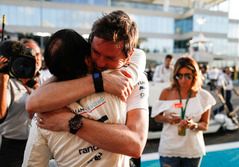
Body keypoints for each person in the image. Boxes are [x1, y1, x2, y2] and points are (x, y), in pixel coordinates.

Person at [26, 10, 149, 165]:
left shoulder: (132, 80)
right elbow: (32, 103)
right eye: (96, 52)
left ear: (128, 55)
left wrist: (70, 121)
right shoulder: (55, 90)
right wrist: (98, 81)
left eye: (110, 58)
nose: (100, 62)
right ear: (88, 44)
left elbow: (135, 144)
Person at [151, 56, 216, 167]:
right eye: (179, 76)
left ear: (195, 76)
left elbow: (205, 125)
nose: (183, 80)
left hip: (192, 151)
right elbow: (157, 117)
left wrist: (193, 125)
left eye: (187, 76)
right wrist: (168, 119)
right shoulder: (166, 93)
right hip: (169, 149)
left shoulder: (204, 96)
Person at [0, 40, 38, 167]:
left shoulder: (30, 78)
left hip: (34, 143)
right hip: (10, 147)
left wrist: (32, 84)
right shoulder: (5, 82)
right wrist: (3, 78)